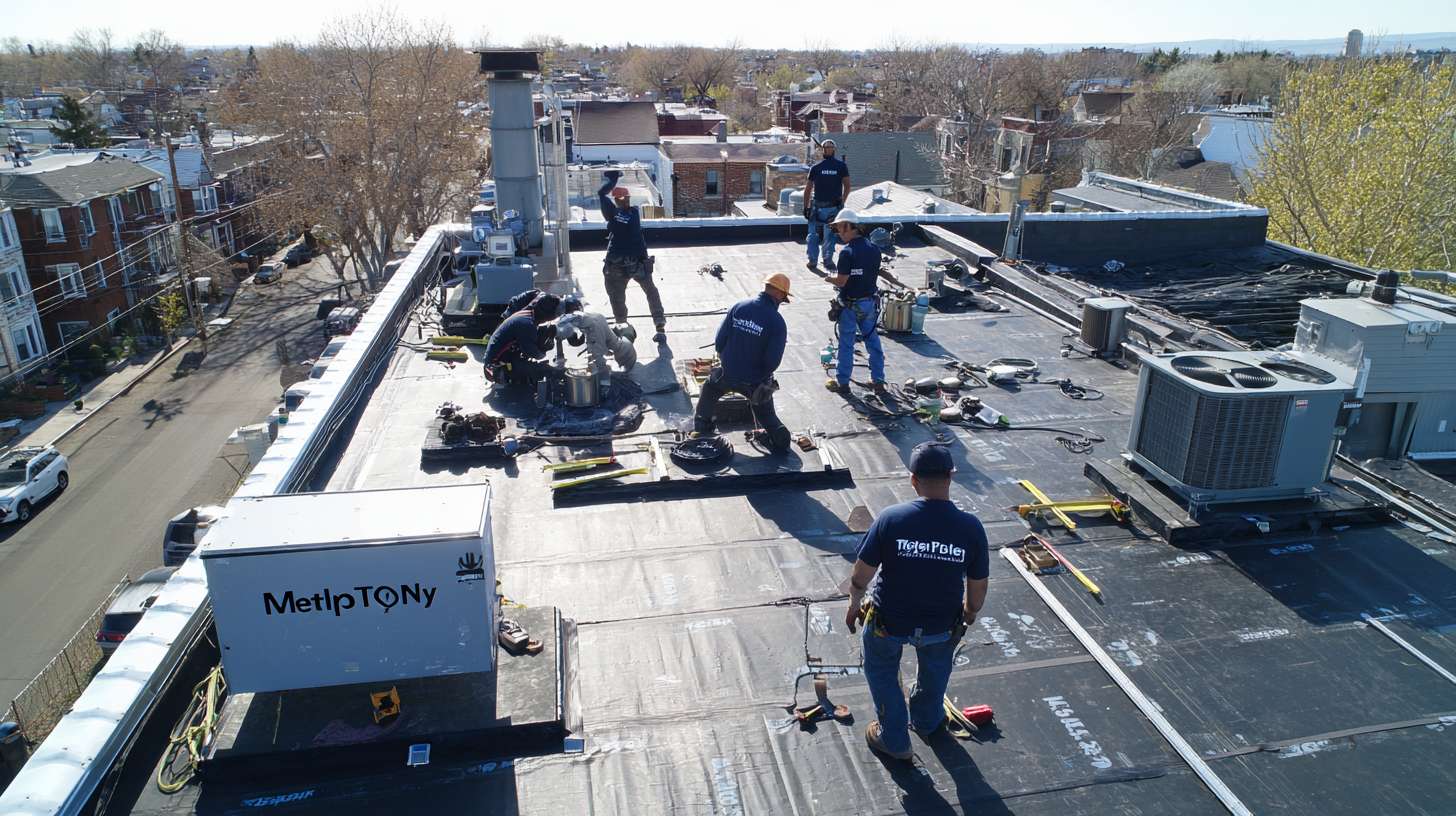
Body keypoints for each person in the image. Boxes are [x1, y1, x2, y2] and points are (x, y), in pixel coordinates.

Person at [844, 442, 989, 761]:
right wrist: (969, 614)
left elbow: (861, 575)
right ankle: (926, 720)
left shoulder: (891, 519)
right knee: (935, 674)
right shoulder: (971, 528)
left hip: (888, 623)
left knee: (882, 673)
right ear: (951, 476)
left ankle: (894, 740)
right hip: (941, 625)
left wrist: (855, 602)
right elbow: (977, 587)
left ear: (913, 479)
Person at [691, 273, 794, 453]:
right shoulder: (777, 322)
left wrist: (729, 362)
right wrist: (760, 377)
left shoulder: (739, 307)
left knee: (710, 389)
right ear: (778, 294)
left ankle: (702, 426)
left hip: (728, 374)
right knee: (766, 414)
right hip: (755, 382)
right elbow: (772, 362)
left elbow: (719, 341)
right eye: (783, 298)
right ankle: (778, 435)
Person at [821, 209, 905, 394]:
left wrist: (829, 278)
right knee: (873, 342)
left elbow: (842, 281)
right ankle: (878, 381)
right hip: (869, 304)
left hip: (850, 305)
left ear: (849, 227)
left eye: (840, 229)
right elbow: (873, 271)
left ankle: (843, 383)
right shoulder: (873, 248)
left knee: (846, 344)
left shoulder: (847, 252)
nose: (839, 234)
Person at [599, 170, 667, 343]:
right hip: (635, 263)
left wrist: (612, 180)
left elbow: (601, 194)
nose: (627, 200)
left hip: (616, 264)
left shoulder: (613, 214)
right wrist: (645, 261)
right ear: (626, 200)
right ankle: (659, 324)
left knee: (617, 298)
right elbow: (638, 239)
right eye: (626, 199)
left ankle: (622, 328)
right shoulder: (633, 213)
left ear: (616, 200)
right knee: (650, 291)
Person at [556, 296, 637, 386]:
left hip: (624, 360)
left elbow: (598, 359)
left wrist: (602, 384)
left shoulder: (593, 329)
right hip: (625, 350)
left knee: (612, 384)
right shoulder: (592, 317)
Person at [483, 294, 561, 387]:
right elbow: (535, 354)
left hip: (504, 357)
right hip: (497, 369)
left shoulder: (528, 314)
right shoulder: (526, 325)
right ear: (547, 315)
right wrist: (544, 348)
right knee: (546, 371)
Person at [803, 139, 851, 272]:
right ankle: (825, 260)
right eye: (826, 148)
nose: (827, 150)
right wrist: (842, 202)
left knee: (820, 235)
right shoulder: (838, 166)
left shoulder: (818, 168)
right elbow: (847, 187)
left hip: (823, 207)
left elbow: (808, 190)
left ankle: (815, 261)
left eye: (828, 148)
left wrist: (805, 207)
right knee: (826, 235)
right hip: (826, 208)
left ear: (832, 149)